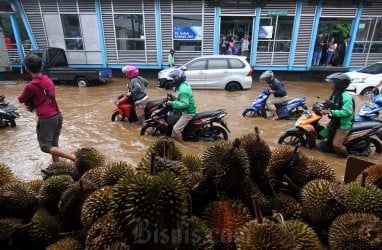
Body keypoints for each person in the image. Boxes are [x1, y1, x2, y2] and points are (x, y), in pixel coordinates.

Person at [18, 54, 76, 162]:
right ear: (41, 67)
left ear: (26, 68)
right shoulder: (48, 80)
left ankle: (73, 157)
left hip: (46, 118)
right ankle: (57, 166)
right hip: (58, 115)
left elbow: (21, 99)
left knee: (45, 147)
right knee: (54, 143)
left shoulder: (30, 86)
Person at [320, 73, 354, 158]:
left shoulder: (346, 97)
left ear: (339, 85)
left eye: (333, 83)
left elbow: (346, 112)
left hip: (343, 124)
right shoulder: (335, 94)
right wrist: (323, 106)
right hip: (335, 121)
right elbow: (331, 103)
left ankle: (344, 157)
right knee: (323, 133)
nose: (331, 85)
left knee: (337, 145)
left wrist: (330, 112)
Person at [166, 69, 196, 142]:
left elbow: (184, 104)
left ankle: (181, 144)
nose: (172, 81)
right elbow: (182, 98)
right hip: (187, 109)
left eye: (173, 79)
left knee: (176, 130)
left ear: (177, 80)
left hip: (188, 112)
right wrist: (173, 98)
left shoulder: (183, 90)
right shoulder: (183, 85)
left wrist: (172, 103)